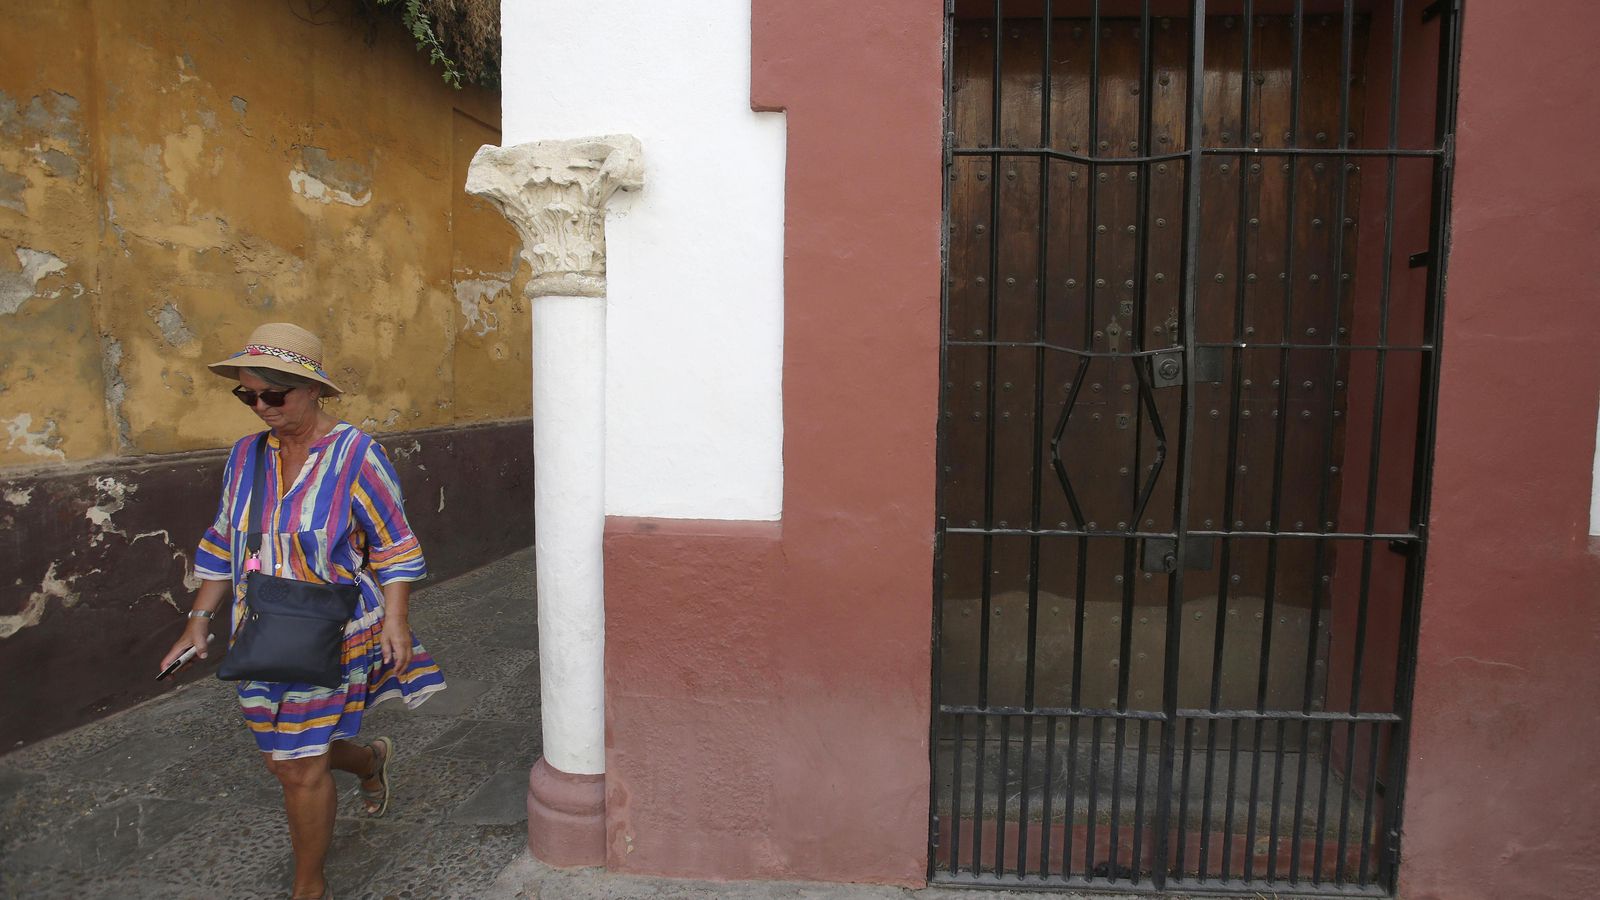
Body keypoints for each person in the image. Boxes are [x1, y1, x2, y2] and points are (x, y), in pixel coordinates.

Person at [160, 322, 446, 900]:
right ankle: (368, 760)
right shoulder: (245, 456)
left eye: (273, 394)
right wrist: (198, 619)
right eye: (248, 395)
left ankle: (308, 888)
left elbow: (393, 542)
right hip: (259, 626)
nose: (260, 407)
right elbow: (223, 539)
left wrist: (397, 619)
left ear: (313, 389)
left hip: (333, 625)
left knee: (296, 765)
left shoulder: (355, 454)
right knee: (286, 753)